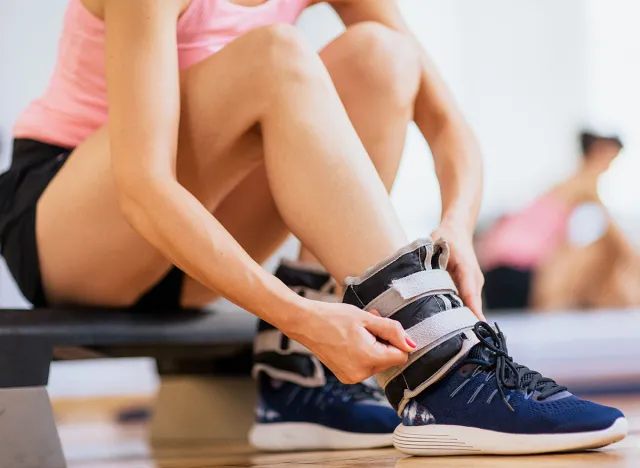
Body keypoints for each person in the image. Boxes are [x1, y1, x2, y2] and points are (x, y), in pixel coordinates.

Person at [0, 0, 626, 456]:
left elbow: (447, 123)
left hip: (192, 247)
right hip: (73, 229)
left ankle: (297, 377)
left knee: (383, 55)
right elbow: (144, 189)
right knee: (277, 53)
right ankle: (443, 369)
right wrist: (297, 315)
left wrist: (458, 226)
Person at [479, 131, 640, 311]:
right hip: (516, 270)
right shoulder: (584, 183)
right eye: (611, 158)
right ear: (598, 151)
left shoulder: (566, 182)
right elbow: (615, 236)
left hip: (495, 271)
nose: (609, 166)